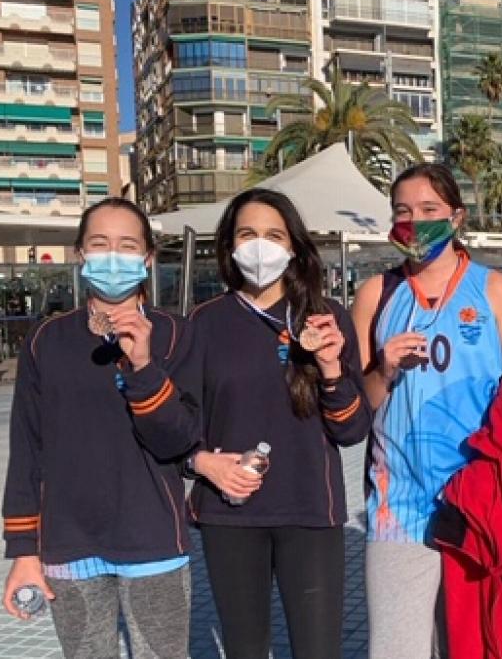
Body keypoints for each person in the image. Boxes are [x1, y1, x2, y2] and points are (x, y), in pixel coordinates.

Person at [1, 198, 198, 659]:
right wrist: (22, 550)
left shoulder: (178, 334)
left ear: (148, 258)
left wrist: (145, 365)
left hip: (154, 541)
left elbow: (180, 438)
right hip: (68, 543)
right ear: (79, 254)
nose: (113, 255)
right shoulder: (46, 340)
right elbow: (26, 450)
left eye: (128, 245)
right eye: (99, 243)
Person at [351, 163, 502, 659]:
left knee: (472, 646)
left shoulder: (493, 289)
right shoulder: (376, 294)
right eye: (403, 212)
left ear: (456, 217)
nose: (415, 221)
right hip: (398, 504)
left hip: (476, 502)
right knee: (396, 649)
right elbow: (355, 406)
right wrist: (383, 369)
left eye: (429, 210)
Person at [183, 188, 371, 659]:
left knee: (319, 649)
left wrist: (330, 367)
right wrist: (203, 463)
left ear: (293, 247)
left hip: (309, 510)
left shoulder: (327, 318)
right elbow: (181, 422)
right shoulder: (204, 323)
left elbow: (351, 430)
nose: (260, 246)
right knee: (245, 648)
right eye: (247, 234)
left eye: (273, 234)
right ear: (228, 245)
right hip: (231, 513)